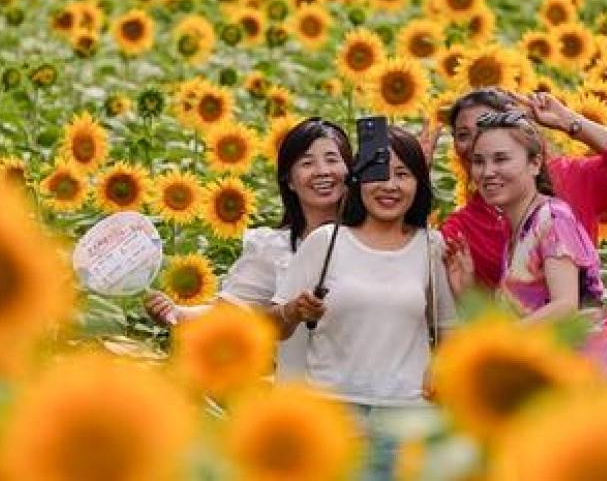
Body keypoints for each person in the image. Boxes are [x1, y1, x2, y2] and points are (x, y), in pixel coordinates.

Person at [274, 126, 457, 480]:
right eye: (379, 173)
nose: (390, 186)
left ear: (419, 184)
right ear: (358, 180)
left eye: (403, 175)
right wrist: (295, 309)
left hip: (405, 417)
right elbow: (276, 326)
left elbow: (448, 328)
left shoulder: (430, 247)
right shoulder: (326, 242)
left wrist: (441, 368)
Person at [427, 87, 607, 375]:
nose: (476, 148)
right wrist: (469, 290)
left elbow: (564, 306)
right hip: (538, 368)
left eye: (500, 156)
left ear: (533, 160)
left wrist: (568, 120)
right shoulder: (497, 224)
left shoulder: (554, 209)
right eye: (464, 136)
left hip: (578, 370)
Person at [145, 118, 353, 380]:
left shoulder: (374, 239)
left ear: (351, 171)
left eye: (333, 160)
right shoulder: (273, 248)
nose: (322, 171)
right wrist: (175, 313)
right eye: (307, 163)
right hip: (301, 392)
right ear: (289, 180)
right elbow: (229, 314)